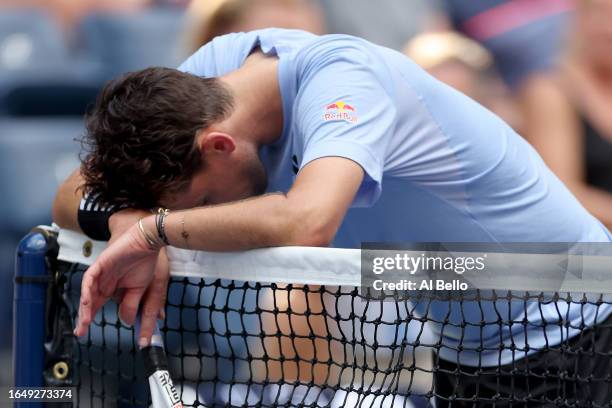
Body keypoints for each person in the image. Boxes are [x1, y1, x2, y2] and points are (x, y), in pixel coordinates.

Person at [53, 28, 612, 404]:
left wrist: (156, 229)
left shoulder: (345, 80)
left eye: (199, 202)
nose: (205, 217)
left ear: (219, 145)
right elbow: (70, 193)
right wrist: (125, 225)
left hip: (581, 318)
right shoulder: (204, 83)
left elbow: (307, 223)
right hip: (466, 344)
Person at [521, 0, 612, 231]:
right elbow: (560, 190)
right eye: (600, 14)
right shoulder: (552, 90)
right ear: (580, 20)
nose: (609, 29)